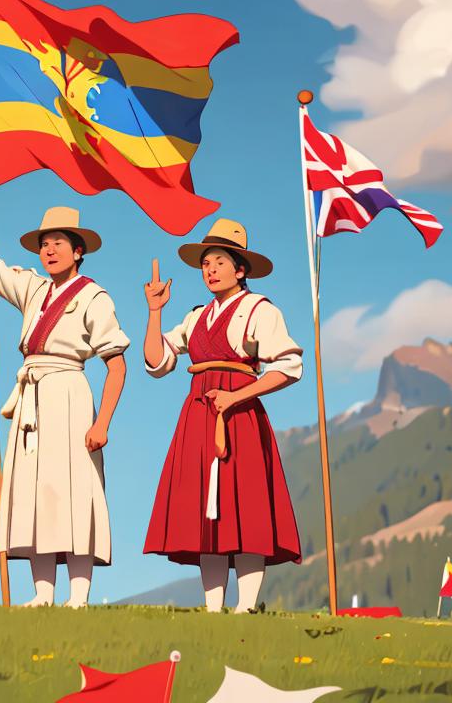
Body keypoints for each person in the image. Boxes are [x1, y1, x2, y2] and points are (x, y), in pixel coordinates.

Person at [0, 200, 128, 608]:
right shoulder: (33, 288)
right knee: (34, 491)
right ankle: (42, 593)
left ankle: (79, 595)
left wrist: (102, 423)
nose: (49, 251)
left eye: (58, 243)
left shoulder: (93, 297)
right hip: (31, 395)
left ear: (78, 250)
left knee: (74, 489)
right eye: (44, 244)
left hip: (68, 391)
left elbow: (116, 365)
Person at [142, 218, 302, 613]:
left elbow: (289, 366)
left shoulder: (258, 310)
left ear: (241, 269)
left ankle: (246, 606)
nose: (210, 270)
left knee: (245, 506)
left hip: (241, 415)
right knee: (205, 511)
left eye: (219, 262)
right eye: (205, 263)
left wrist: (236, 398)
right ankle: (213, 609)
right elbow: (158, 361)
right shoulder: (196, 317)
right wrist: (155, 312)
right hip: (199, 414)